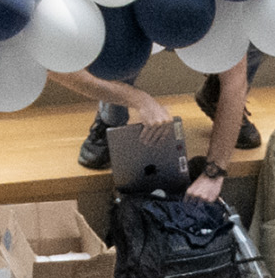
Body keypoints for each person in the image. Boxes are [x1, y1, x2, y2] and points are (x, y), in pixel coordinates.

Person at [59, 58, 254, 201]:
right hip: (127, 17)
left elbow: (236, 79)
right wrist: (138, 100)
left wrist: (214, 173)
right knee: (119, 48)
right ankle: (110, 117)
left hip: (207, 24)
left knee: (259, 30)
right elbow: (57, 68)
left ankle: (218, 96)